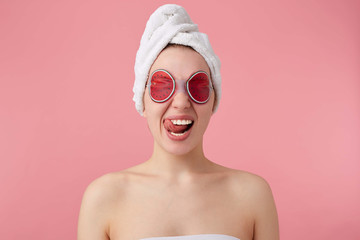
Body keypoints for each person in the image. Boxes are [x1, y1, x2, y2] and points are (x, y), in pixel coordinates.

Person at [77, 4, 279, 240]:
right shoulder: (103, 197)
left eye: (197, 87)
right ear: (142, 101)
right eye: (162, 86)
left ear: (213, 100)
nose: (181, 101)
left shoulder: (252, 195)